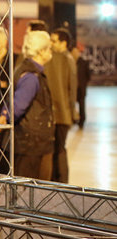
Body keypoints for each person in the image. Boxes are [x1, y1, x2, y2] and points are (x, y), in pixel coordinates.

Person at [0, 31, 55, 180]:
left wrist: (4, 115)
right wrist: (4, 118)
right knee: (31, 192)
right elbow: (18, 105)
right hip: (31, 144)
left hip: (28, 142)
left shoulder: (25, 69)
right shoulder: (31, 76)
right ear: (41, 51)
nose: (50, 52)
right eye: (48, 48)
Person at [44, 27, 77, 183]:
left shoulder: (65, 59)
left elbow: (71, 90)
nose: (51, 44)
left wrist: (70, 113)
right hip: (62, 114)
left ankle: (62, 182)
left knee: (59, 150)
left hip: (62, 115)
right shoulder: (64, 59)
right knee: (58, 149)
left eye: (54, 41)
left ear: (64, 43)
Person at [71, 45, 91, 129]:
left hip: (81, 89)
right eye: (73, 52)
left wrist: (82, 84)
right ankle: (73, 119)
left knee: (82, 106)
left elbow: (88, 76)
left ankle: (82, 121)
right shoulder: (69, 62)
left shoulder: (84, 62)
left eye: (76, 52)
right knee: (71, 105)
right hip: (72, 89)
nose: (75, 54)